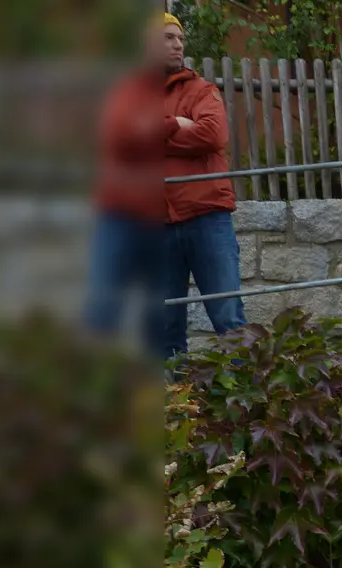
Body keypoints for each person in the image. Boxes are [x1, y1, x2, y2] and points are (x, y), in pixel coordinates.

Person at [111, 12, 246, 359]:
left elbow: (213, 134)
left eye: (180, 39)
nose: (177, 44)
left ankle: (248, 401)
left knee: (227, 316)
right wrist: (176, 125)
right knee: (164, 327)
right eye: (168, 37)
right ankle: (176, 405)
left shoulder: (202, 90)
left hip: (206, 217)